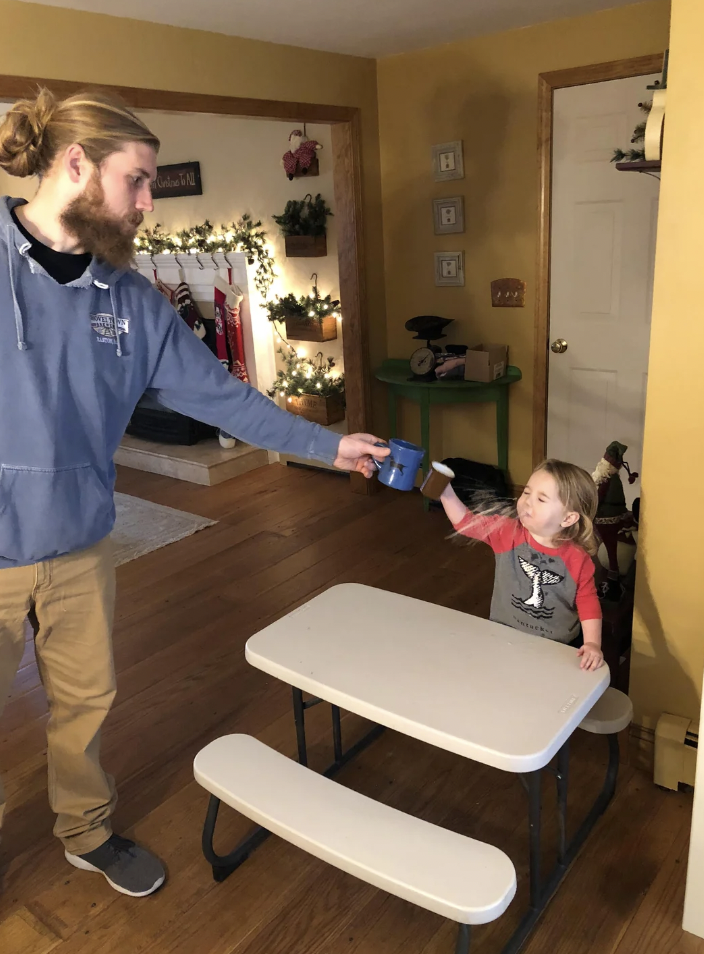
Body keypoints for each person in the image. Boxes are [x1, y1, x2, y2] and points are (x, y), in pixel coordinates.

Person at [0, 88, 390, 898]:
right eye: (138, 180)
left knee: (84, 703)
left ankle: (86, 830)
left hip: (78, 543)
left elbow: (223, 398)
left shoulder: (133, 301)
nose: (149, 201)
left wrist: (329, 441)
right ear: (76, 164)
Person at [439, 459, 604, 671]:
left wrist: (592, 644)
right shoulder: (506, 532)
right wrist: (445, 490)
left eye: (541, 499)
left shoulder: (577, 558)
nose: (527, 501)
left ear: (568, 518)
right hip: (503, 636)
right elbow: (466, 523)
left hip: (558, 648)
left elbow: (587, 601)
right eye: (526, 492)